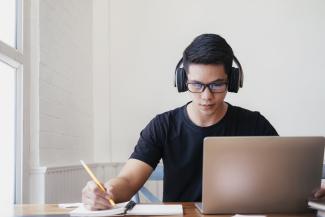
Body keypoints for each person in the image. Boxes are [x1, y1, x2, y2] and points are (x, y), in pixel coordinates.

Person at [82, 34, 324, 210]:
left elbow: (286, 180)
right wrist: (107, 191)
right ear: (182, 81)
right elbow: (127, 180)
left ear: (232, 81)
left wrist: (316, 193)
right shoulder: (162, 126)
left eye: (217, 84)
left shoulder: (255, 124)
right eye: (196, 85)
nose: (206, 96)